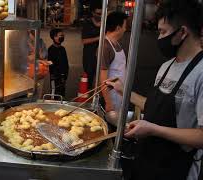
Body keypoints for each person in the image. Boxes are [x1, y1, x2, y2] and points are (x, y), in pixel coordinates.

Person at [106, 1, 203, 179]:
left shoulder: (200, 73)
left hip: (177, 169)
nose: (159, 38)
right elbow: (153, 106)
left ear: (182, 32)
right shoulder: (167, 66)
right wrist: (123, 90)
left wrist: (153, 129)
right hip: (147, 160)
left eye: (163, 32)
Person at [100, 12, 128, 112]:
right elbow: (102, 78)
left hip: (119, 92)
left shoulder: (116, 43)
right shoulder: (105, 46)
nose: (125, 29)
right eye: (124, 26)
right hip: (111, 96)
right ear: (117, 28)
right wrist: (108, 102)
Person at [81, 1, 102, 89]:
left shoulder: (105, 23)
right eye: (98, 13)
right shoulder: (87, 23)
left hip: (102, 55)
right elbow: (84, 41)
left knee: (102, 79)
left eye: (102, 13)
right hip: (89, 55)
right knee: (88, 79)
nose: (100, 15)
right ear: (93, 13)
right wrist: (100, 38)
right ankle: (88, 97)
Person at [48, 28, 69, 97]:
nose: (61, 37)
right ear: (54, 37)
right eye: (59, 36)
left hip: (63, 76)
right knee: (54, 94)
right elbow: (50, 64)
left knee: (62, 93)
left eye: (62, 35)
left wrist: (65, 74)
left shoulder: (63, 49)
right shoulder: (51, 49)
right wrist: (54, 75)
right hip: (55, 76)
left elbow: (65, 63)